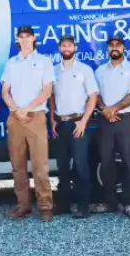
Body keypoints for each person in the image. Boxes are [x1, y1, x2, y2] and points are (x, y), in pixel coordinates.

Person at [0, 25, 55, 222]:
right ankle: (23, 206)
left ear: (33, 38)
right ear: (17, 39)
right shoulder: (11, 63)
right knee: (18, 165)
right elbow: (5, 90)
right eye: (21, 37)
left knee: (40, 165)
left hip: (36, 117)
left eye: (28, 36)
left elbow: (47, 91)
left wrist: (27, 108)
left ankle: (45, 206)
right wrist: (16, 110)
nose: (24, 40)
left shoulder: (44, 62)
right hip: (15, 118)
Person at [48, 35, 98, 219]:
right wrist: (52, 118)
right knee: (62, 165)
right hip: (61, 123)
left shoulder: (85, 70)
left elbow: (93, 96)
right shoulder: (54, 71)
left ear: (75, 47)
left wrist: (84, 120)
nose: (66, 48)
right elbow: (51, 96)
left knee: (80, 164)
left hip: (78, 123)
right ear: (60, 49)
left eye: (69, 45)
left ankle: (83, 205)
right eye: (63, 45)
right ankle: (63, 204)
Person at [94, 35, 130, 218]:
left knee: (129, 163)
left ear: (123, 48)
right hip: (105, 121)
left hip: (126, 121)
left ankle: (129, 203)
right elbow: (95, 95)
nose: (114, 48)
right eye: (111, 45)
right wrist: (105, 110)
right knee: (106, 163)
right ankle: (110, 203)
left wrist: (113, 109)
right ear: (107, 49)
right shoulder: (100, 71)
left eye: (118, 45)